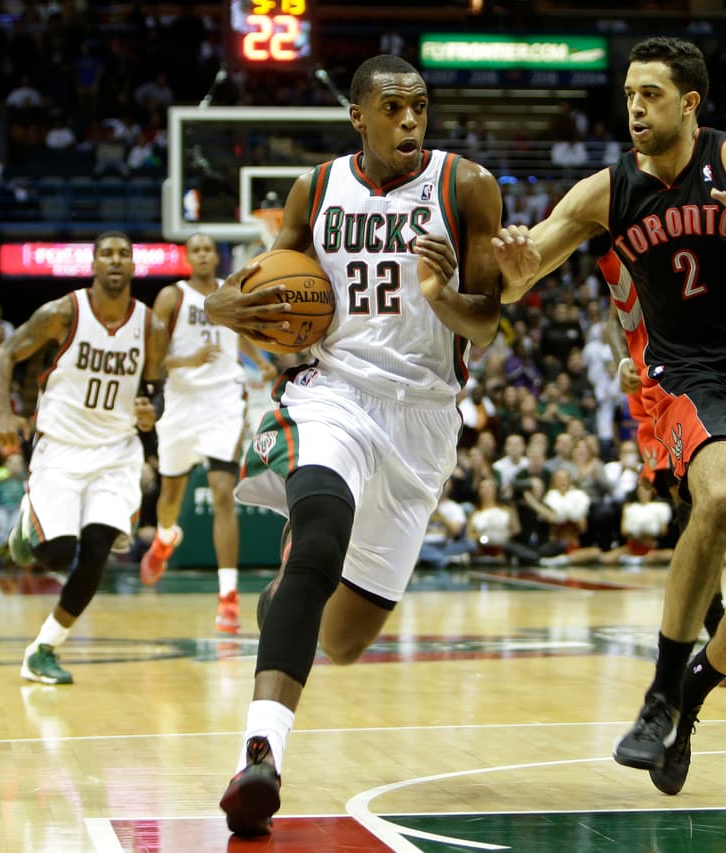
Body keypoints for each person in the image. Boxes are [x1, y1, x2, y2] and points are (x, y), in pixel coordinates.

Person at [493, 36, 726, 795]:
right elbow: (521, 272)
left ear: (690, 102)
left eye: (652, 95)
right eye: (629, 95)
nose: (635, 108)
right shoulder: (606, 191)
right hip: (685, 375)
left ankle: (692, 695)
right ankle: (659, 694)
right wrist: (511, 270)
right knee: (722, 493)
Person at [202, 54, 504, 836]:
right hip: (331, 396)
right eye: (394, 108)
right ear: (358, 116)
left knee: (342, 639)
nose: (410, 120)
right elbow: (257, 285)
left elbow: (485, 324)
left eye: (420, 107)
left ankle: (285, 605)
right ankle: (260, 754)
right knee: (318, 539)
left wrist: (442, 296)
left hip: (424, 421)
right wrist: (226, 306)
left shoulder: (466, 186)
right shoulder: (315, 187)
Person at [0, 231, 167, 684]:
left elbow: (156, 391)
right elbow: (5, 353)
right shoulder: (63, 313)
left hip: (116, 452)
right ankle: (28, 524)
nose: (115, 260)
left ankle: (43, 648)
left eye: (123, 254)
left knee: (97, 552)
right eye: (107, 254)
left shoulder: (150, 326)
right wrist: (1, 411)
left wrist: (151, 411)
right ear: (93, 264)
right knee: (57, 555)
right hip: (62, 447)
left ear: (133, 267)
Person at [605, 251, 726, 687]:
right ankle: (714, 627)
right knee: (692, 511)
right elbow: (621, 328)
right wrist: (624, 365)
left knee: (709, 511)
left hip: (706, 383)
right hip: (655, 396)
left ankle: (714, 628)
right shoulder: (632, 255)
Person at [138, 233, 276, 634]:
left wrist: (260, 361)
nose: (202, 255)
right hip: (181, 402)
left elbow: (240, 335)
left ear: (216, 256)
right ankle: (165, 538)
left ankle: (228, 596)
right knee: (170, 497)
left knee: (222, 491)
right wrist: (189, 359)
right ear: (187, 257)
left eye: (208, 249)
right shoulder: (172, 297)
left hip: (223, 400)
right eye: (195, 249)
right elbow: (152, 357)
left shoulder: (230, 292)